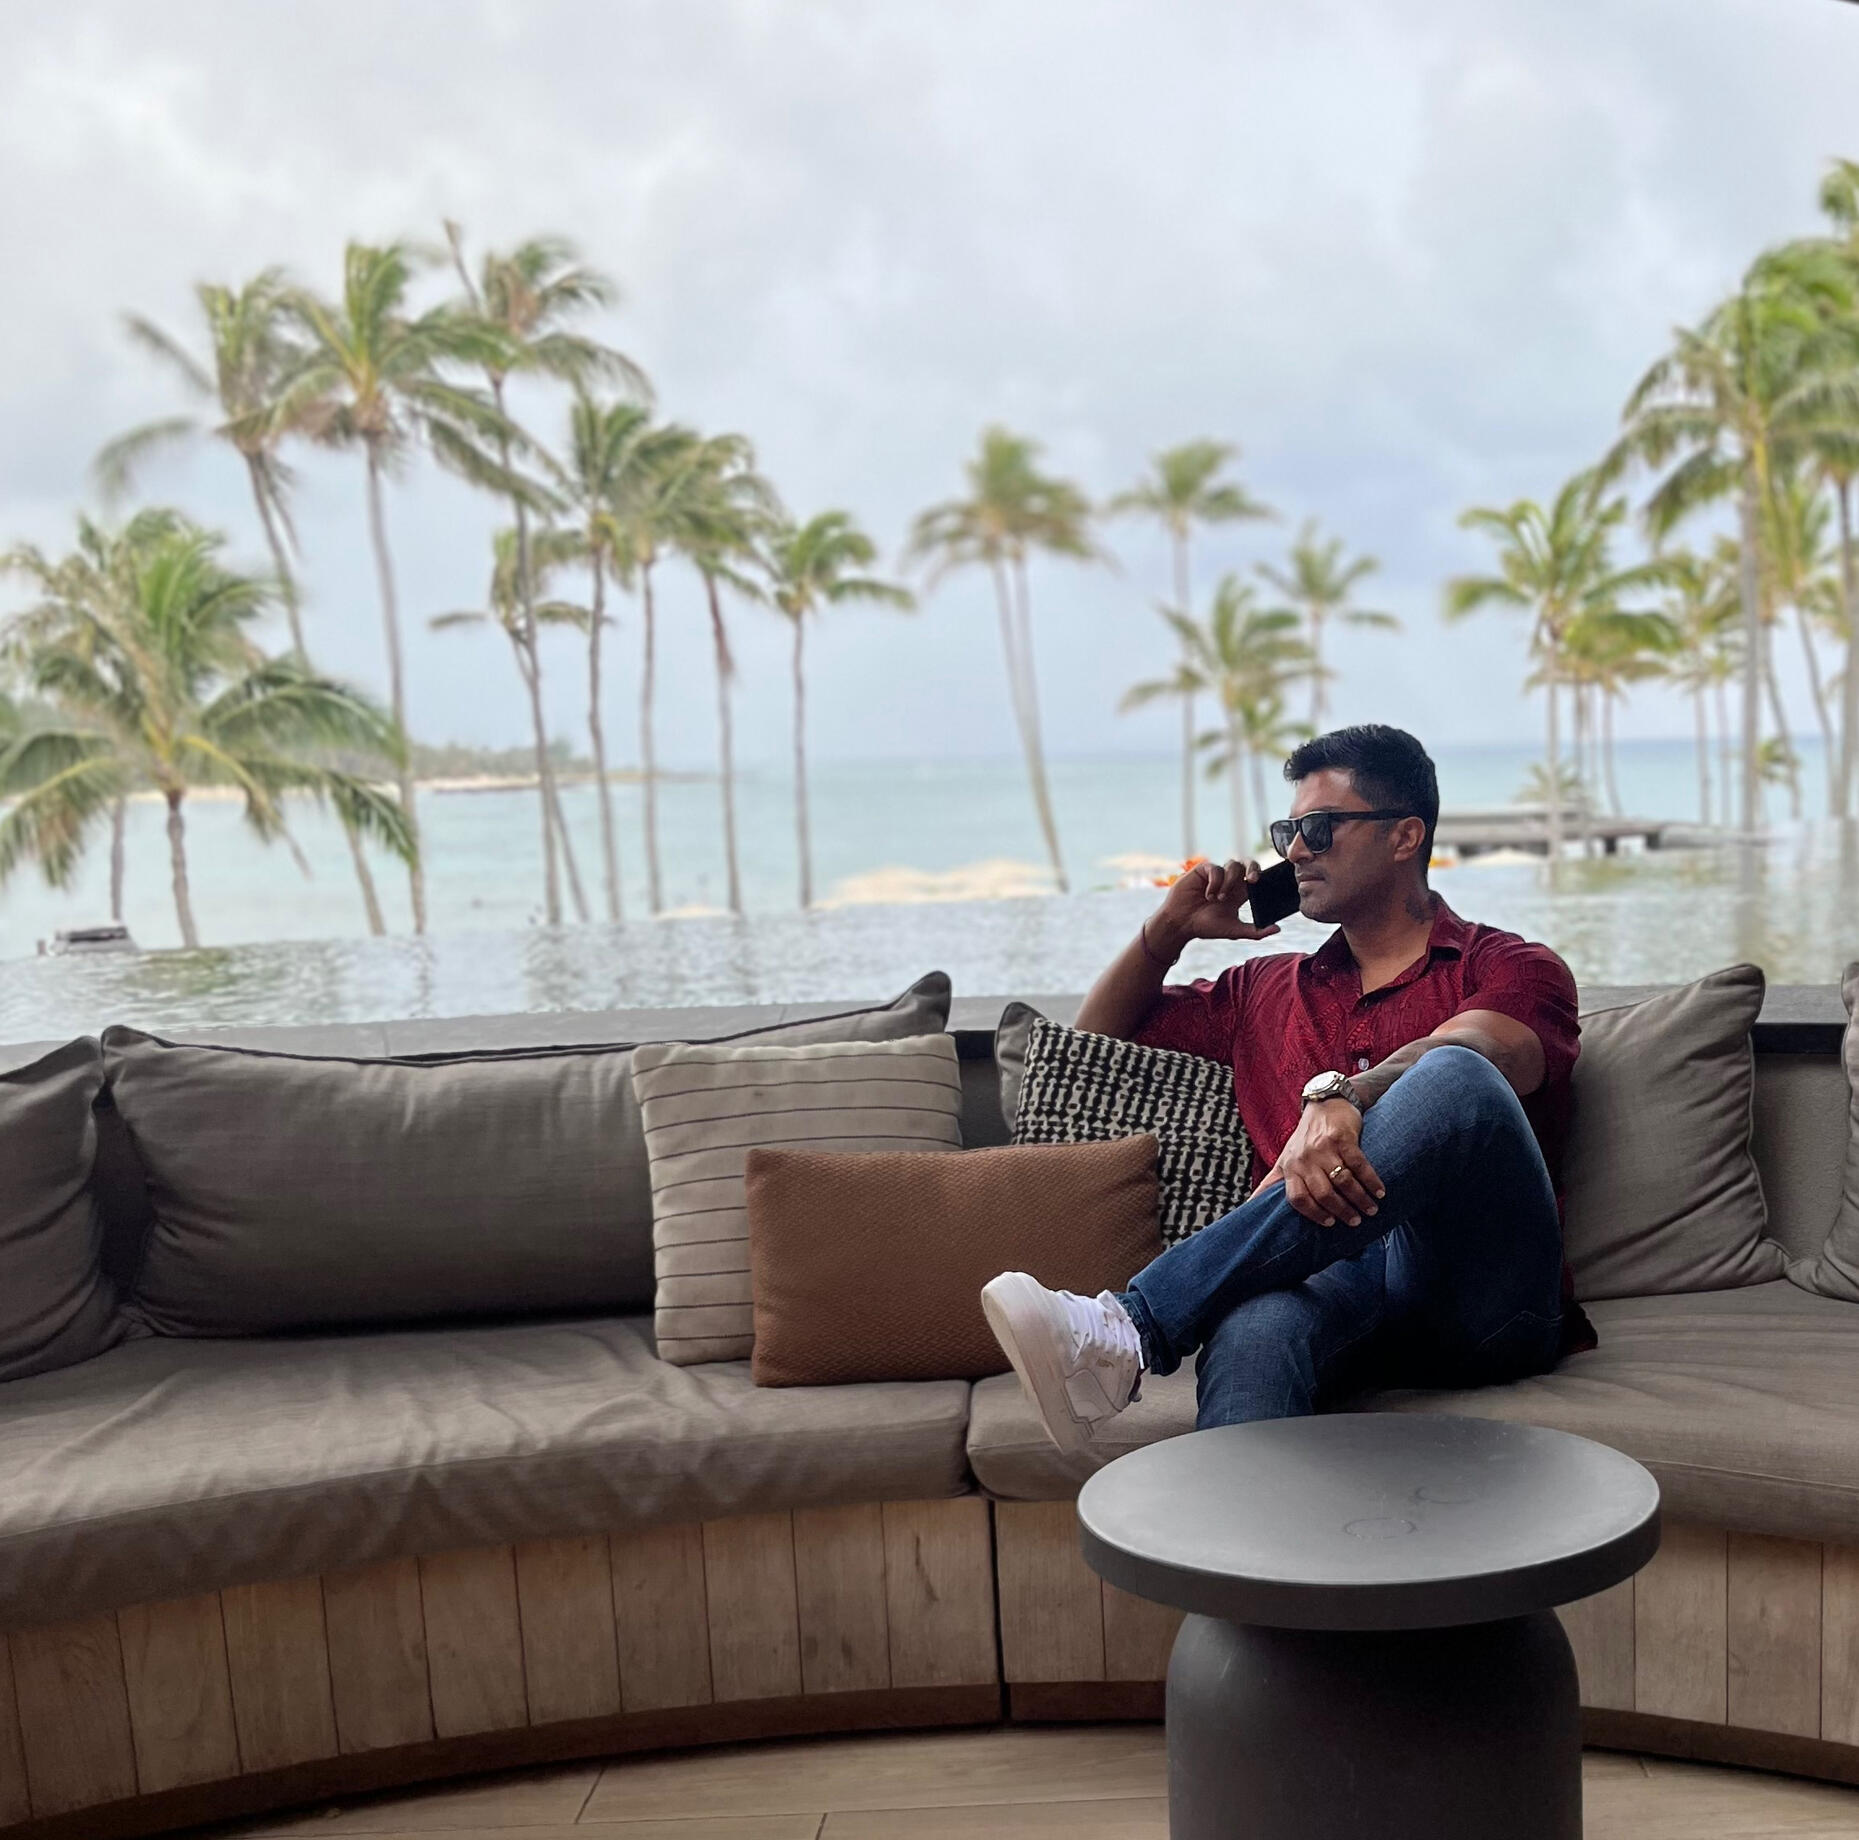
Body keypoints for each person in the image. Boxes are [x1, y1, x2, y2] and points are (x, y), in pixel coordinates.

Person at [980, 723, 1593, 1451]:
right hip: (1318, 1284)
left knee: (1453, 1075)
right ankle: (1234, 1558)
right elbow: (1094, 1048)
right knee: (1251, 1328)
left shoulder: (1509, 965)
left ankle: (1133, 1324)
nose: (1293, 850)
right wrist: (1166, 933)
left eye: (1318, 827)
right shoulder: (1262, 989)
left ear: (1403, 837)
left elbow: (1486, 1051)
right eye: (1287, 830)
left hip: (1474, 1300)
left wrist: (1343, 1094)